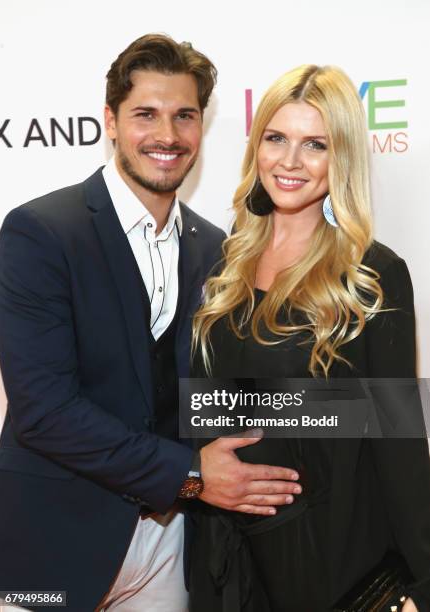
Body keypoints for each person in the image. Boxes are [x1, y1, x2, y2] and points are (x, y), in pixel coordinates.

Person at [0, 35, 301, 612]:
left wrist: (346, 410)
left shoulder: (216, 248)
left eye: (184, 116)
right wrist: (190, 475)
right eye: (146, 114)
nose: (167, 135)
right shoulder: (41, 232)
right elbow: (43, 412)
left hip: (171, 546)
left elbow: (221, 392)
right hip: (51, 544)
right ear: (110, 121)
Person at [189, 65, 430, 611]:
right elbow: (199, 415)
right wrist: (195, 477)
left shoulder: (371, 274)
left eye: (315, 144)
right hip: (228, 558)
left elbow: (398, 440)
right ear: (257, 147)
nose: (290, 161)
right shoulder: (222, 264)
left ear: (340, 158)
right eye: (276, 138)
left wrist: (423, 585)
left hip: (330, 559)